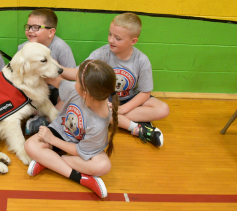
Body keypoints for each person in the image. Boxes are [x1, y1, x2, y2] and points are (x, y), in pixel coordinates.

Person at [61, 12, 169, 147]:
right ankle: (137, 125)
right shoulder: (102, 53)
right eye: (110, 34)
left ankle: (113, 119)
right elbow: (80, 72)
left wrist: (122, 110)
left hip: (129, 100)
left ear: (133, 41)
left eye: (117, 38)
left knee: (163, 109)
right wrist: (59, 69)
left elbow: (145, 93)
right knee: (96, 107)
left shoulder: (142, 60)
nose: (111, 40)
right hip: (106, 100)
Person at [24, 60, 118, 198]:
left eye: (77, 80)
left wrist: (52, 140)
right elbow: (54, 80)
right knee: (30, 145)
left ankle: (50, 162)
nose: (74, 83)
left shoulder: (99, 123)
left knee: (103, 166)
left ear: (86, 93)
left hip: (78, 147)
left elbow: (78, 151)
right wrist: (38, 67)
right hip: (61, 132)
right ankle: (80, 177)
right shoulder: (75, 90)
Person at [19, 9, 76, 135]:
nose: (29, 31)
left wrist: (56, 70)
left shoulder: (61, 48)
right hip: (36, 90)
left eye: (35, 27)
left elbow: (71, 77)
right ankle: (34, 116)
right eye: (28, 27)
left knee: (70, 96)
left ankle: (47, 120)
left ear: (51, 32)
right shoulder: (24, 48)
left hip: (55, 90)